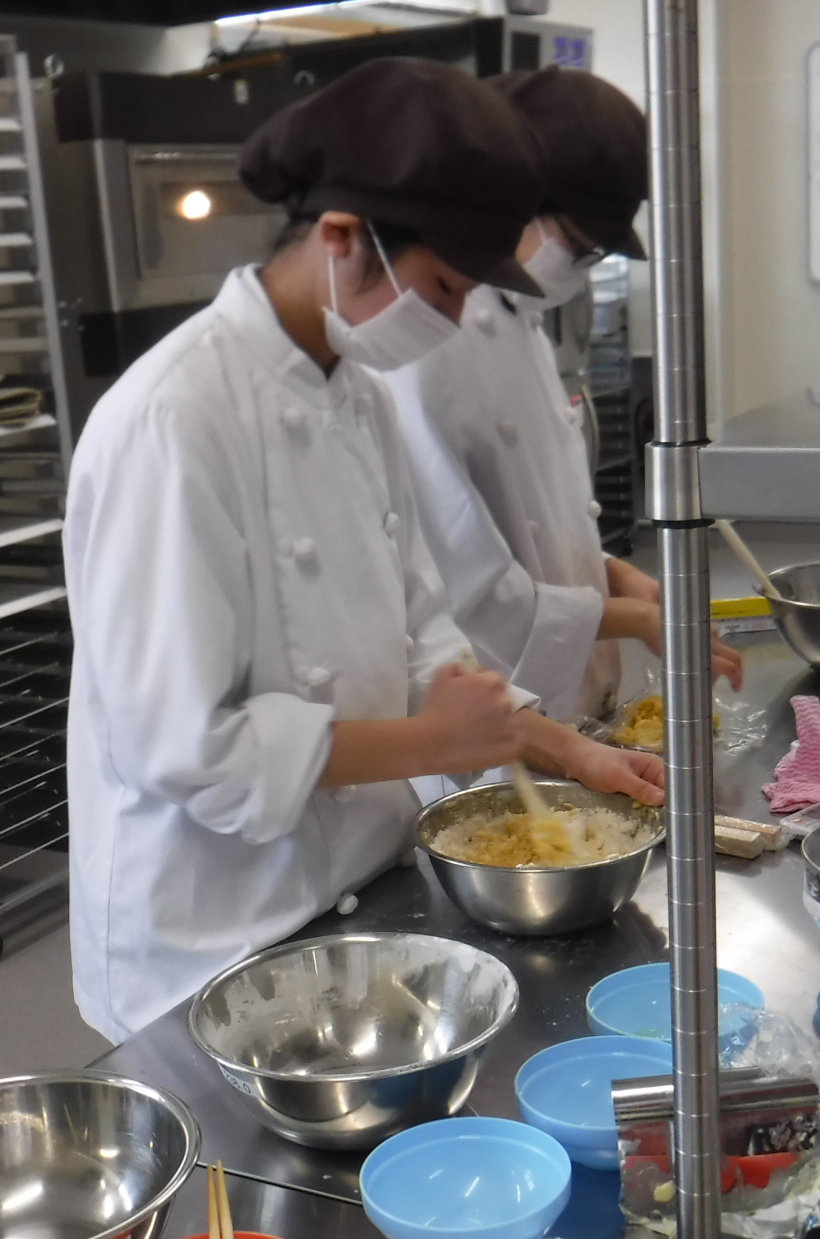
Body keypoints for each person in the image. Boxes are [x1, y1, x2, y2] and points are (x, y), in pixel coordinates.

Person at [60, 59, 666, 1042]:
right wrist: (432, 746)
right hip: (209, 934)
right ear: (342, 237)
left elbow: (427, 637)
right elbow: (185, 749)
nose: (454, 318)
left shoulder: (361, 400)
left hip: (353, 889)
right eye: (443, 286)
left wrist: (566, 750)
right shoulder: (172, 421)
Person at [385, 68, 743, 723]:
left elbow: (533, 519)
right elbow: (465, 585)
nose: (580, 268)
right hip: (494, 716)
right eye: (578, 246)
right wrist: (635, 619)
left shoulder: (518, 317)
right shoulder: (429, 346)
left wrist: (615, 573)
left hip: (570, 698)